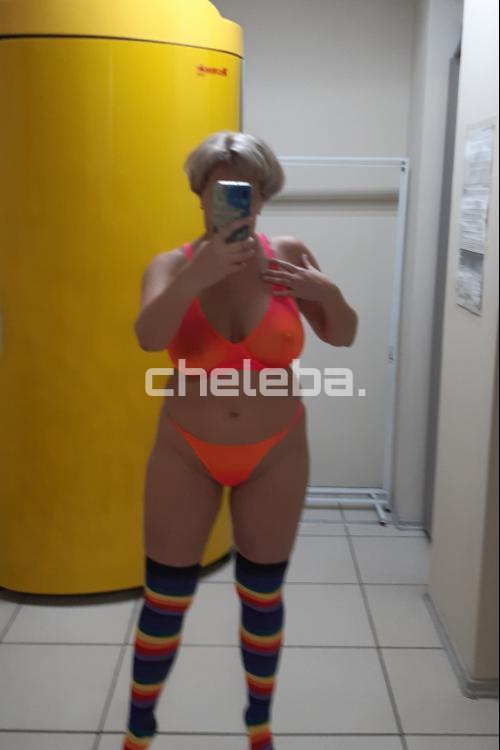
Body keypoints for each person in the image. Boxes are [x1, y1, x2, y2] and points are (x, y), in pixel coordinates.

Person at [123, 131, 358, 750]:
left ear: (264, 196)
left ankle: (259, 726)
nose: (235, 198)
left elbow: (343, 335)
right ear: (200, 193)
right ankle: (138, 728)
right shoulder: (170, 265)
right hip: (186, 449)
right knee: (165, 595)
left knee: (262, 593)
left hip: (276, 450)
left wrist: (328, 294)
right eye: (221, 186)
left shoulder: (288, 255)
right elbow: (149, 337)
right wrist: (194, 279)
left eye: (248, 189)